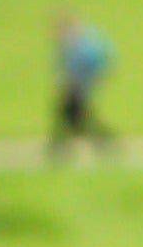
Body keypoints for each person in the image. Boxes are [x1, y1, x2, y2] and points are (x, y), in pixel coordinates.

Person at [48, 11, 112, 157]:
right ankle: (101, 140)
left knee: (70, 115)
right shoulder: (71, 44)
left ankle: (60, 147)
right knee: (72, 115)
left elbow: (80, 66)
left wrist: (69, 83)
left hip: (78, 85)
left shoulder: (79, 45)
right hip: (77, 84)